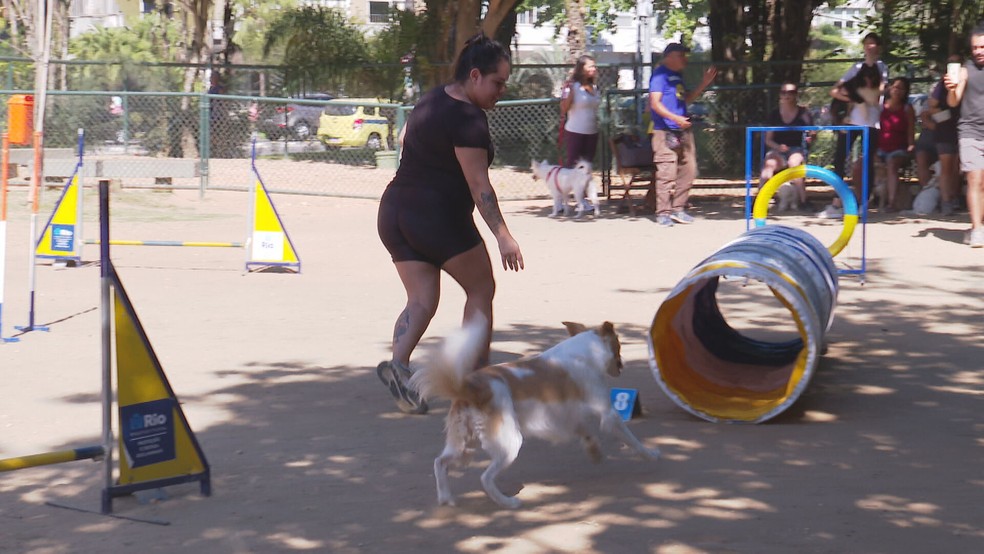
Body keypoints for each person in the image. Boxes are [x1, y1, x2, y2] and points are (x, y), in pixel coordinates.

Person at [375, 33, 525, 413]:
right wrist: (503, 235)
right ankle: (476, 383)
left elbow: (406, 136)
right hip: (435, 216)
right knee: (481, 288)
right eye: (497, 83)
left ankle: (399, 366)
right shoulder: (468, 118)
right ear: (475, 75)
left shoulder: (433, 98)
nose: (501, 91)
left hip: (394, 211)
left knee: (422, 297)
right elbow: (479, 185)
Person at [648, 42, 717, 227]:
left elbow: (685, 99)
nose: (685, 59)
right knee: (666, 171)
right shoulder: (659, 75)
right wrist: (674, 118)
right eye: (681, 55)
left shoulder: (677, 76)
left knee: (689, 168)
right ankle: (663, 213)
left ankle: (678, 208)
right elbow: (655, 104)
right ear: (669, 57)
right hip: (665, 130)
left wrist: (704, 83)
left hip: (683, 130)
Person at [822, 32, 888, 219]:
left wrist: (871, 97)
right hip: (852, 120)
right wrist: (854, 98)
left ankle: (864, 202)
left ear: (878, 47)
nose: (870, 47)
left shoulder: (882, 67)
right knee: (839, 157)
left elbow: (879, 93)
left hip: (872, 123)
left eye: (874, 44)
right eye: (867, 44)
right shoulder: (856, 67)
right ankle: (837, 199)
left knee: (867, 162)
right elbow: (835, 90)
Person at [945, 24, 984, 247]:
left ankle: (977, 225)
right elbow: (953, 102)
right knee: (974, 179)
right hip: (970, 131)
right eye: (975, 47)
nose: (979, 51)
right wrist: (951, 88)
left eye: (983, 47)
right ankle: (978, 230)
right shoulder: (964, 70)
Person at [759, 82, 815, 210]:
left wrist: (810, 137)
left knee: (794, 163)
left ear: (796, 95)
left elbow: (812, 133)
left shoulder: (803, 113)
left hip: (796, 148)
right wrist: (778, 147)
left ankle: (803, 200)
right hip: (777, 149)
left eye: (790, 92)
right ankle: (759, 200)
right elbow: (768, 140)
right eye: (783, 92)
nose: (786, 95)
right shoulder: (774, 114)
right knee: (769, 164)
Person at [926, 55, 963, 216]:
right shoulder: (942, 83)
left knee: (957, 168)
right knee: (947, 168)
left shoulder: (966, 80)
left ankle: (953, 197)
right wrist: (942, 114)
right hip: (945, 130)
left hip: (963, 128)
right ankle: (946, 200)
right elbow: (932, 106)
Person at [877, 77, 916, 212]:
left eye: (901, 88)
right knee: (860, 165)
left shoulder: (907, 109)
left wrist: (911, 147)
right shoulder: (880, 106)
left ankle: (891, 202)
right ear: (889, 88)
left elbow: (911, 131)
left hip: (899, 149)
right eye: (895, 87)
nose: (897, 91)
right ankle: (859, 200)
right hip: (879, 148)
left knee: (892, 163)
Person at [559, 54, 601, 168]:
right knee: (573, 165)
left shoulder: (595, 87)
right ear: (582, 69)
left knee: (587, 167)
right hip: (575, 132)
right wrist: (571, 93)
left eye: (594, 66)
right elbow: (563, 108)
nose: (594, 69)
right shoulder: (572, 86)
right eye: (590, 66)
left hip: (592, 132)